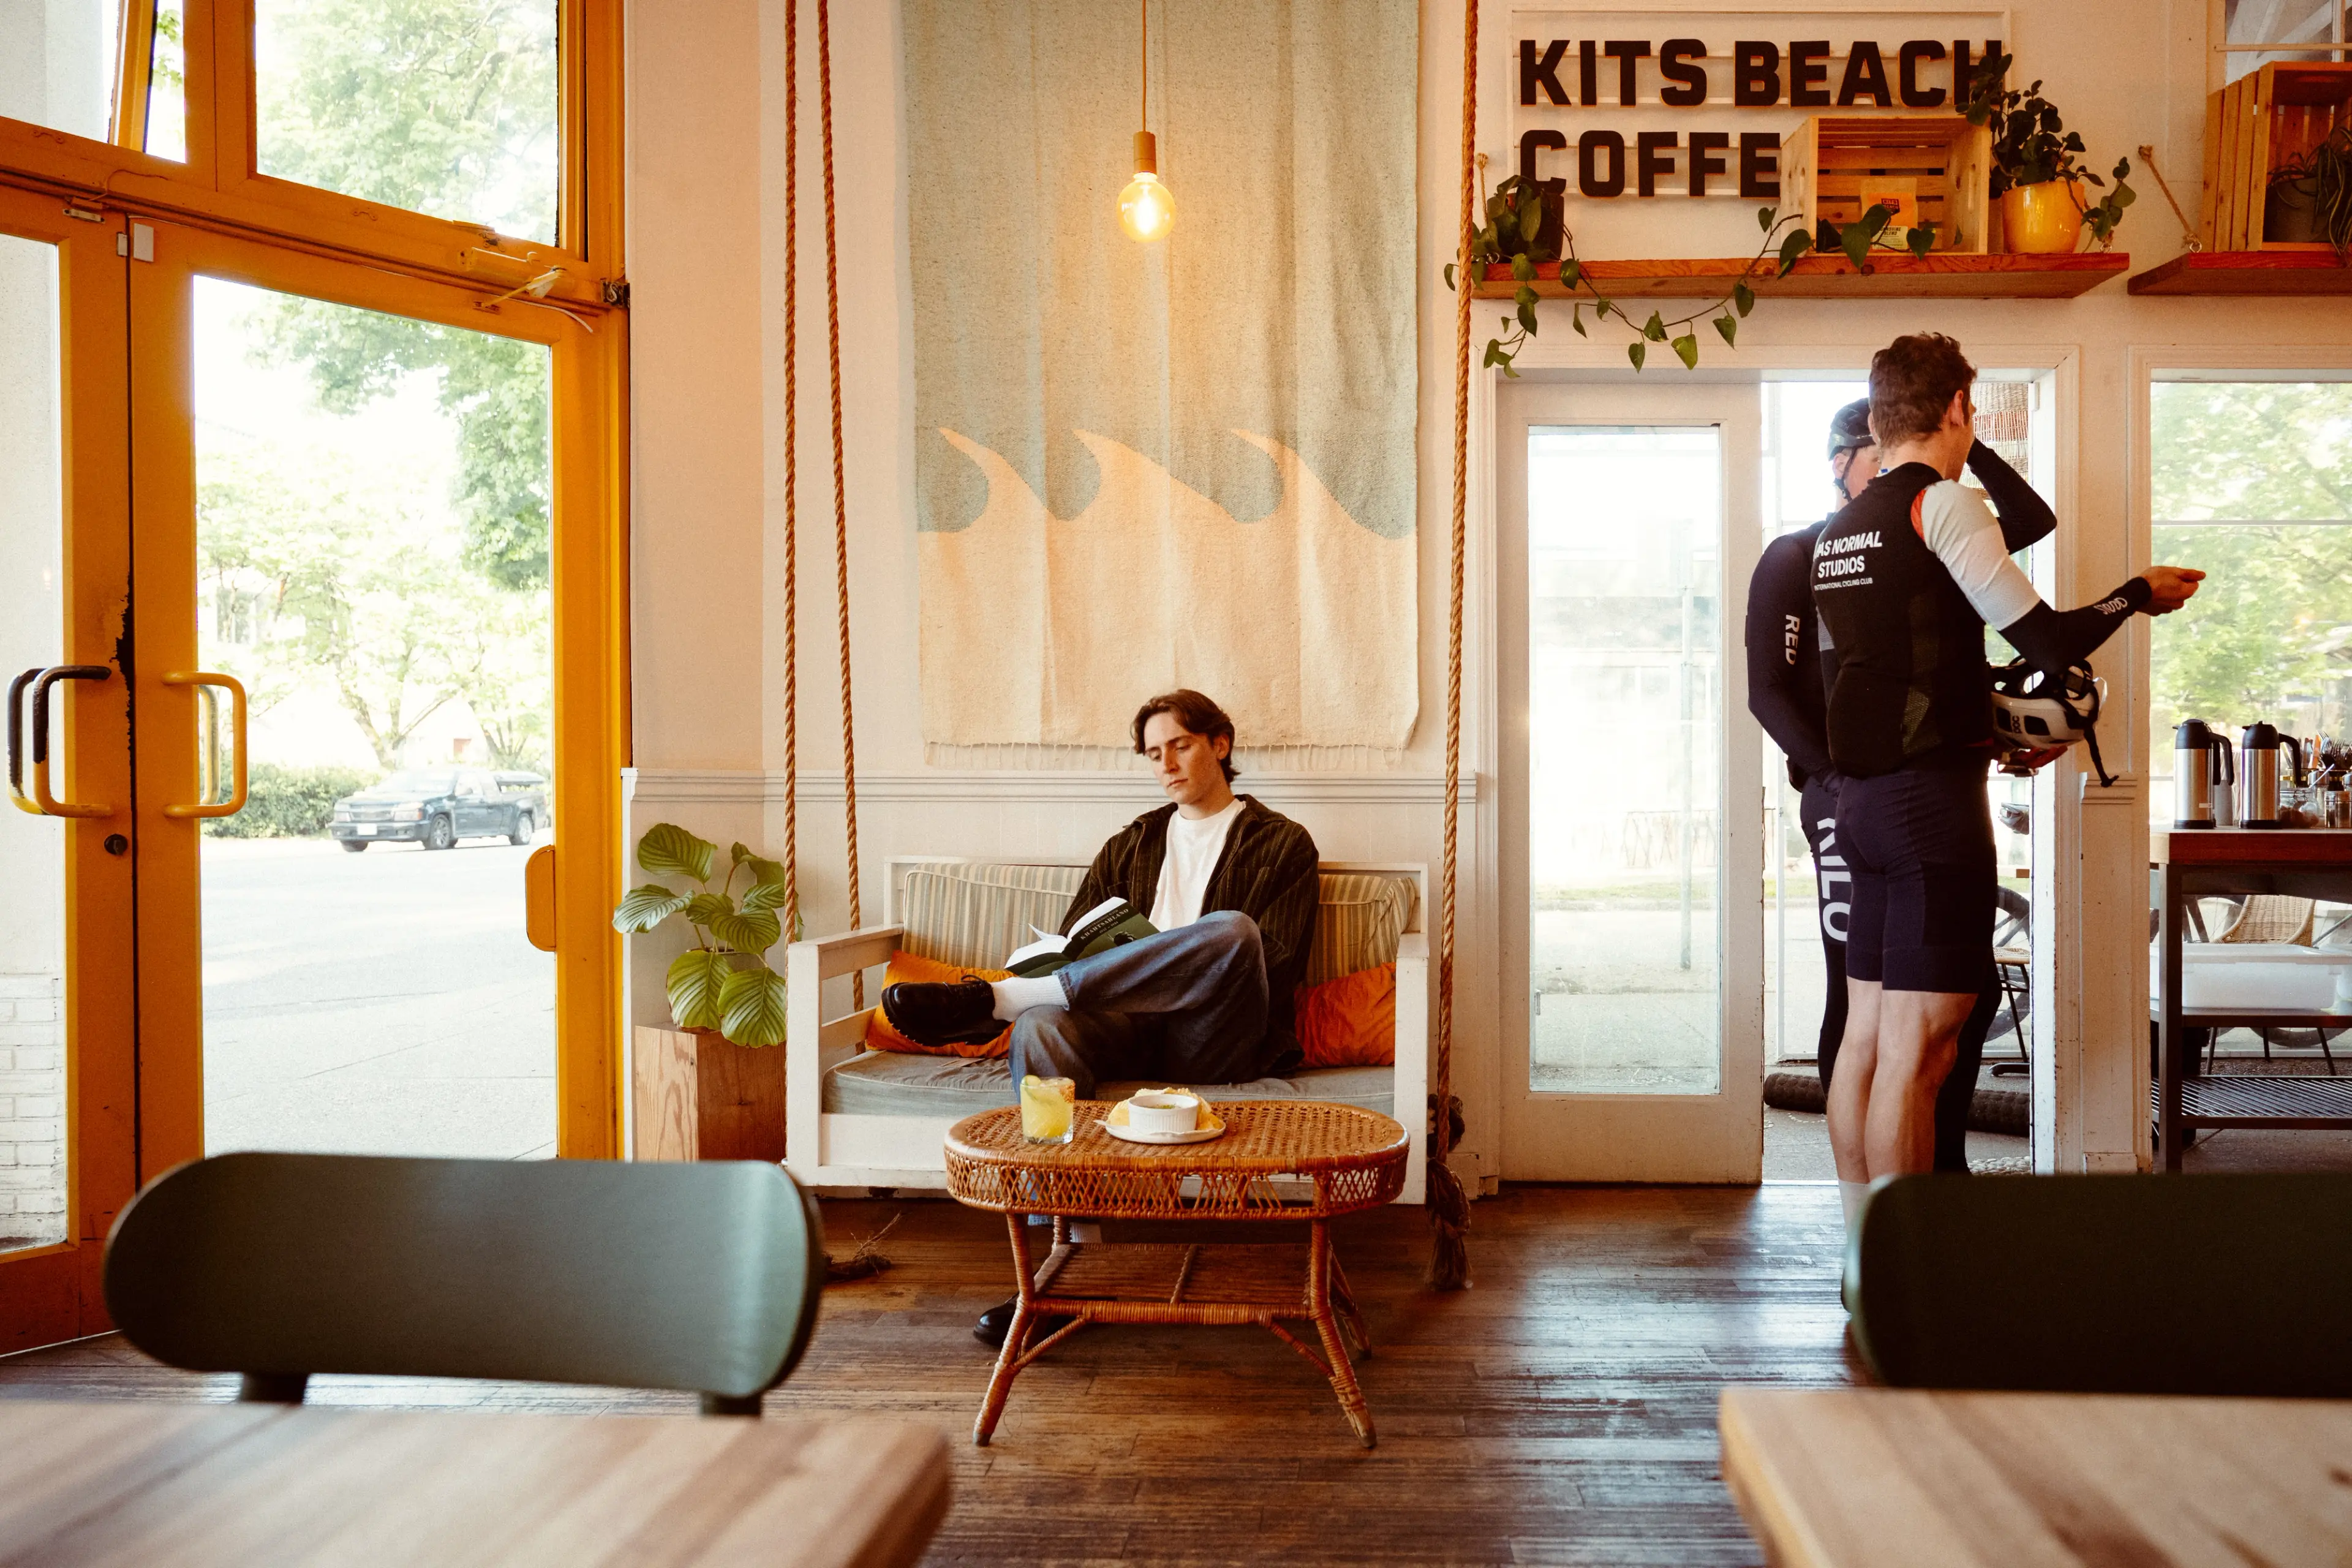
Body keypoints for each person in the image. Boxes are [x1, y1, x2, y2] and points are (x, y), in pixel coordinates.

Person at [1812, 334, 2202, 1240]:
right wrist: (2135, 593)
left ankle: (1863, 1259)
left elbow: (1907, 667)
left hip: (1862, 808)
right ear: (1959, 411)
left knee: (1868, 1038)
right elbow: (2052, 643)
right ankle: (1904, 1273)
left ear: (1876, 420)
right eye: (1968, 410)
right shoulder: (1940, 506)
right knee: (1922, 1047)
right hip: (1927, 809)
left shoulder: (1843, 526)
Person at [879, 688, 1321, 1347]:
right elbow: (1069, 953)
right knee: (1042, 1025)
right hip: (1124, 1030)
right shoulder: (1132, 842)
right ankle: (1050, 1275)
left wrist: (1175, 960)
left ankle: (991, 1003)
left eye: (1180, 745)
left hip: (1217, 1034)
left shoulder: (1282, 842)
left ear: (1219, 745)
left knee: (1232, 932)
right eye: (1152, 753)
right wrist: (1072, 973)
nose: (1166, 763)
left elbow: (1275, 965)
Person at [1743, 397, 2054, 1172]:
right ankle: (1873, 1224)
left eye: (1887, 449)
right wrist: (1833, 777)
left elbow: (2032, 517)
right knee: (1860, 1006)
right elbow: (1768, 695)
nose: (1886, 466)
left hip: (1925, 787)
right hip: (1848, 794)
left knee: (1960, 995)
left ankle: (1937, 1171)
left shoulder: (1924, 531)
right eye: (1868, 451)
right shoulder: (1799, 553)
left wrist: (1962, 442)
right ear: (1837, 465)